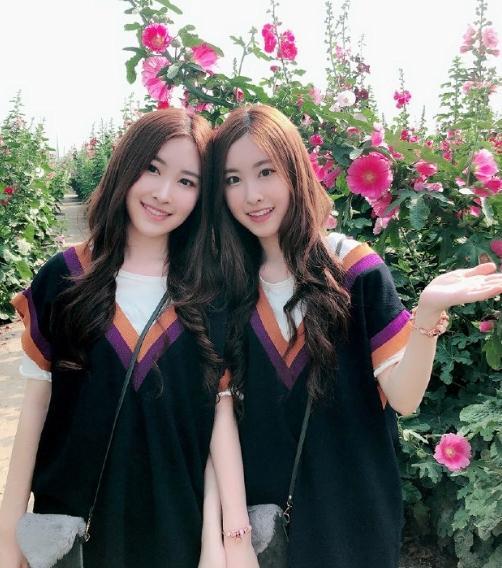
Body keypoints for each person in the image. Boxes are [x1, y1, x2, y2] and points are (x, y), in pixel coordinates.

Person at [209, 104, 502, 568]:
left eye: (266, 171)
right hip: (266, 527)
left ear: (294, 170)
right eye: (233, 179)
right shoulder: (226, 289)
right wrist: (232, 531)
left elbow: (404, 397)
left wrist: (426, 315)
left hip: (356, 517)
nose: (252, 194)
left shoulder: (354, 270)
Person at [0, 108, 243, 568]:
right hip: (74, 535)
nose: (163, 193)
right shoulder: (65, 278)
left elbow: (214, 421)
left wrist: (220, 541)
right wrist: (8, 535)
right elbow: (35, 409)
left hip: (176, 531)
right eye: (152, 168)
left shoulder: (210, 294)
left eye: (186, 181)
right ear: (125, 166)